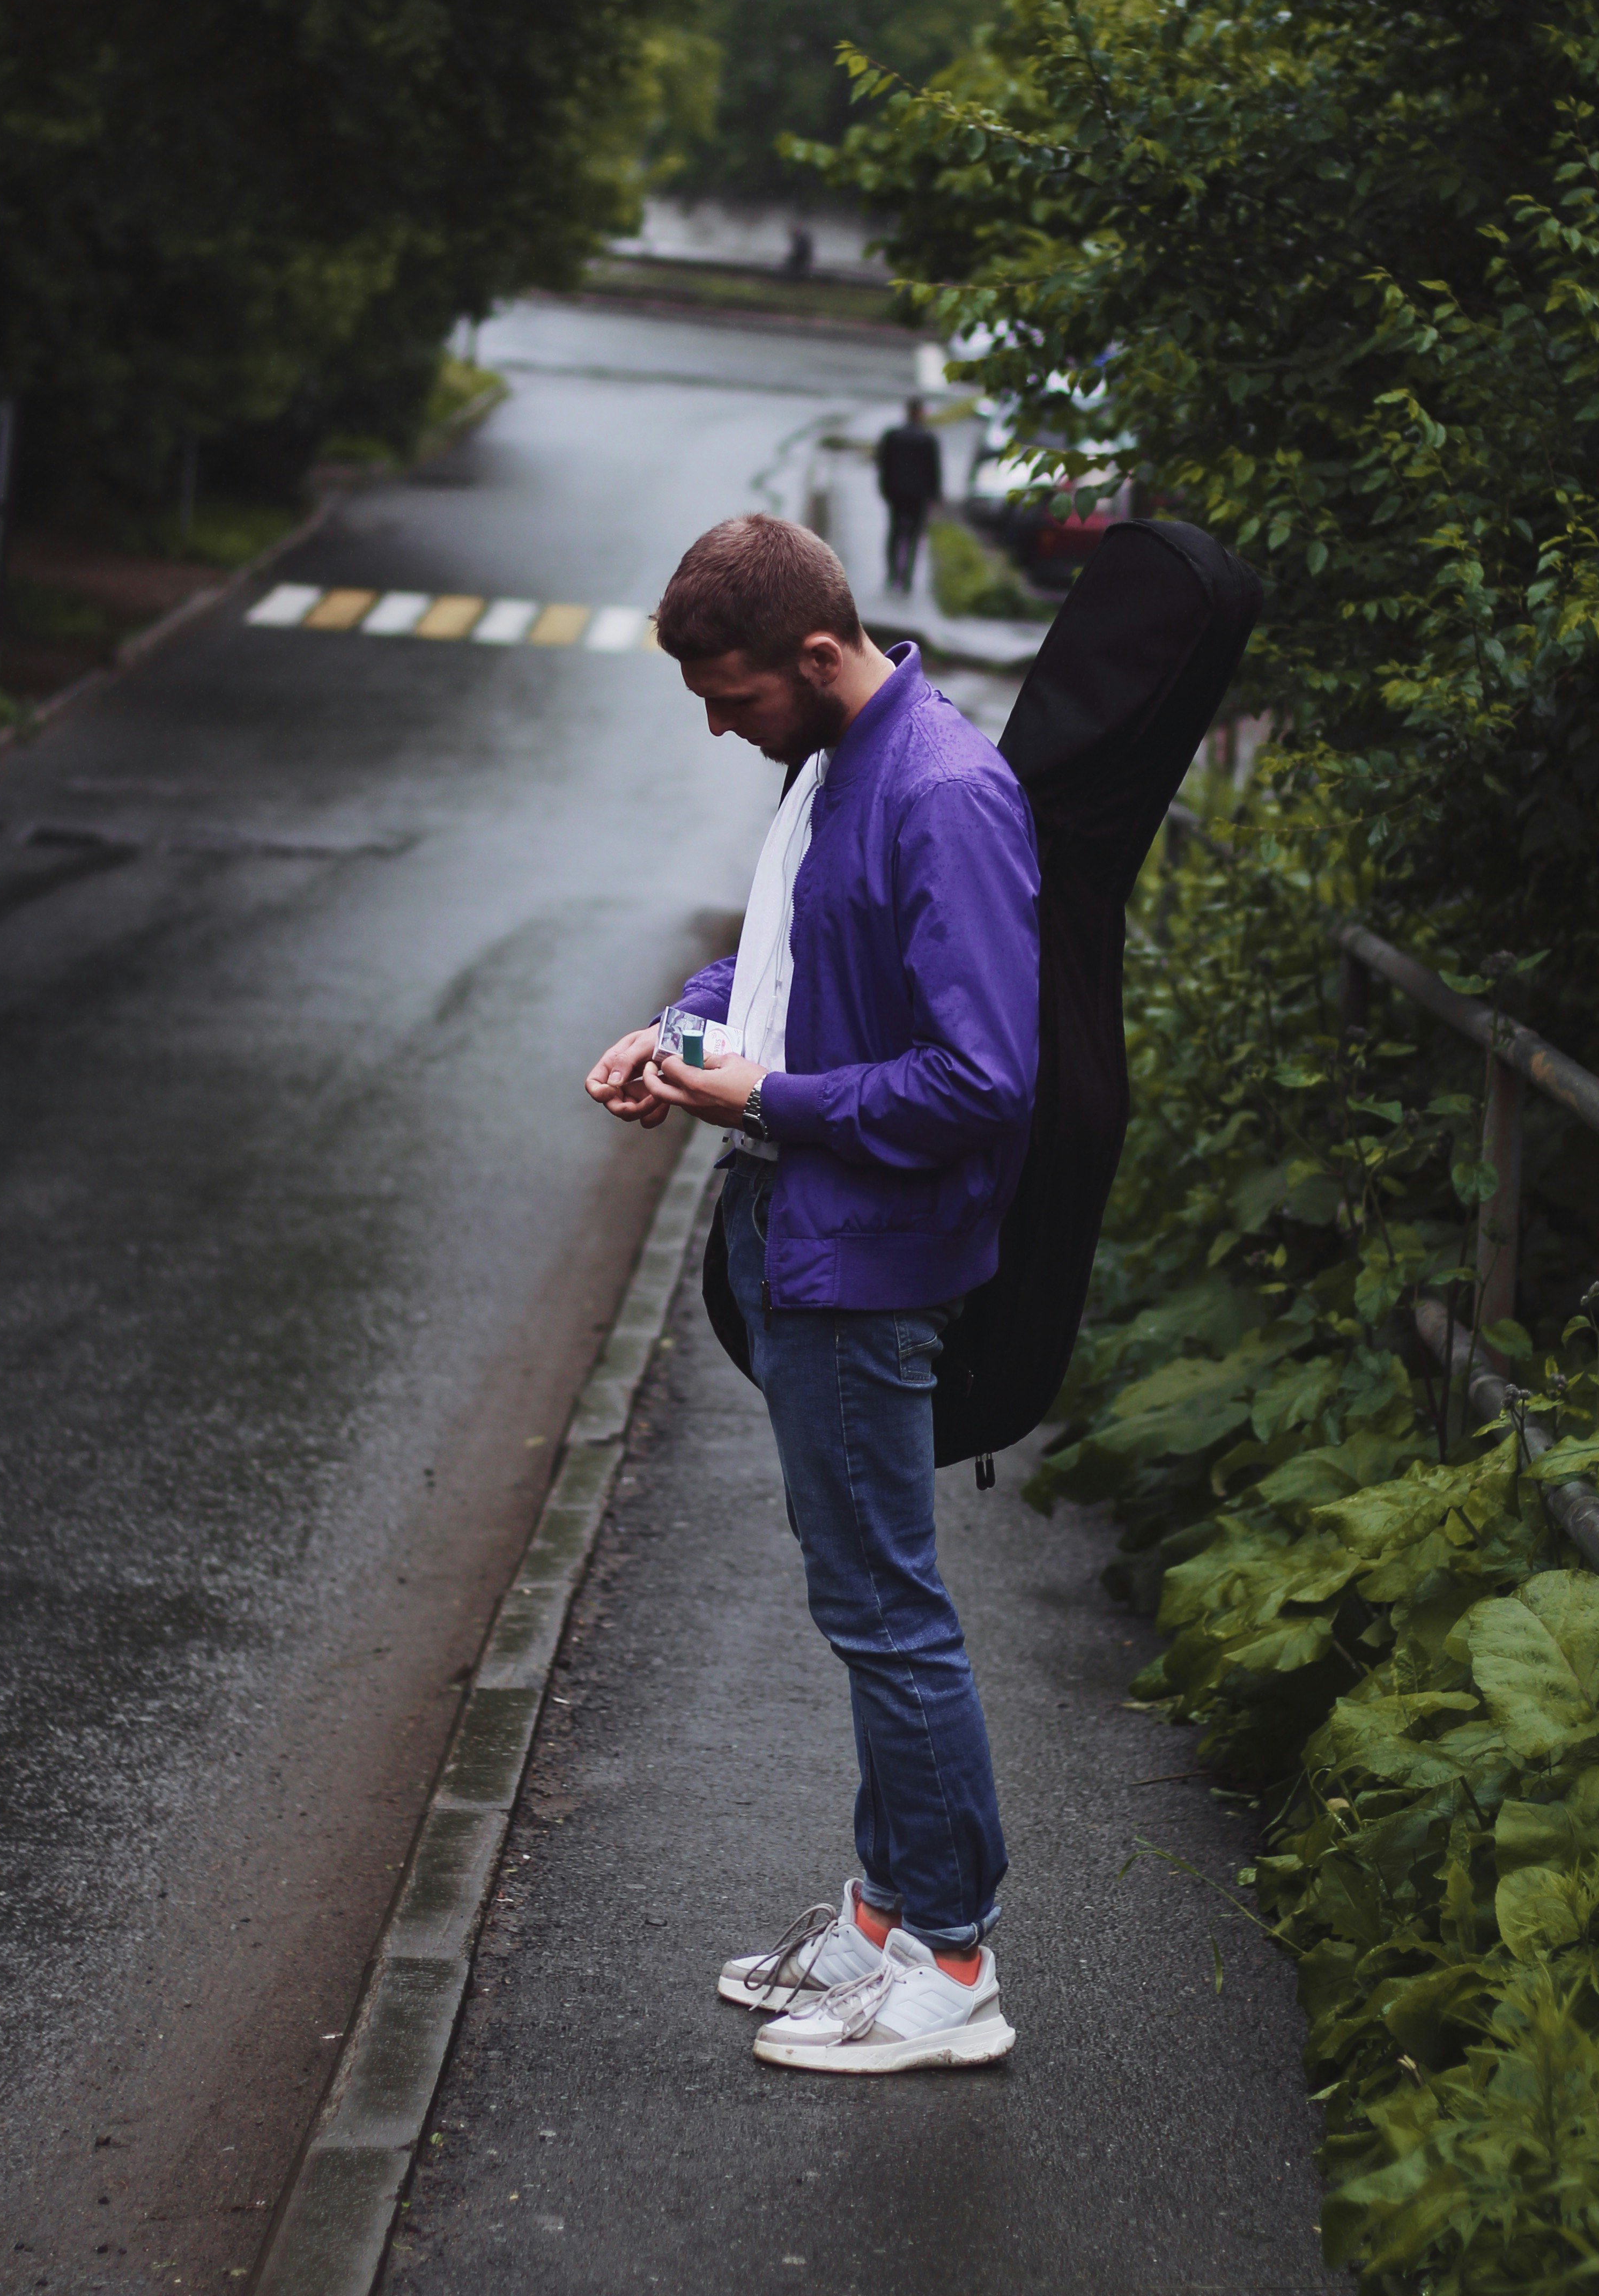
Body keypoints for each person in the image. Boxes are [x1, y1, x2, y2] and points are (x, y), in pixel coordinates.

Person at [584, 513, 1038, 2074]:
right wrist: (677, 1033)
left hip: (868, 1264)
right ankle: (881, 1921)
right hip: (806, 1241)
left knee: (889, 1614)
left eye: (734, 698)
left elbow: (985, 1080)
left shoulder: (942, 794)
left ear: (821, 654)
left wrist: (771, 1101)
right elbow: (774, 970)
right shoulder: (832, 769)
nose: (720, 728)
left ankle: (955, 1964)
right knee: (865, 1604)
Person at [875, 397, 942, 594]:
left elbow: (883, 464)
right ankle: (908, 577)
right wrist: (935, 495)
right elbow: (934, 471)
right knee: (914, 535)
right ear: (921, 413)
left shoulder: (893, 436)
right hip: (918, 495)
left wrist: (885, 489)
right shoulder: (928, 439)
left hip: (896, 493)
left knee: (895, 532)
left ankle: (892, 573)